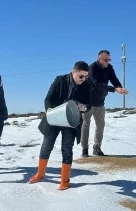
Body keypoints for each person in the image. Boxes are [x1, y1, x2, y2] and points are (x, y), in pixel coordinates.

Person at [29, 61, 92, 190]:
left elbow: (89, 104)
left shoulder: (86, 86)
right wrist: (50, 110)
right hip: (55, 118)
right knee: (46, 146)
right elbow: (48, 98)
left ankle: (64, 180)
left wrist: (84, 107)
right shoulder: (60, 80)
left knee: (67, 149)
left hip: (71, 121)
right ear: (73, 72)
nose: (83, 79)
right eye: (81, 76)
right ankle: (40, 174)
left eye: (86, 76)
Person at [81, 50, 128, 157]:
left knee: (100, 126)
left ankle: (97, 148)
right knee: (85, 125)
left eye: (109, 59)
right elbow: (97, 84)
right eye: (105, 60)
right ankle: (84, 149)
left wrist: (119, 88)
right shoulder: (91, 68)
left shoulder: (109, 68)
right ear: (99, 59)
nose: (107, 62)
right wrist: (115, 90)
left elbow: (114, 79)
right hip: (87, 102)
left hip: (100, 101)